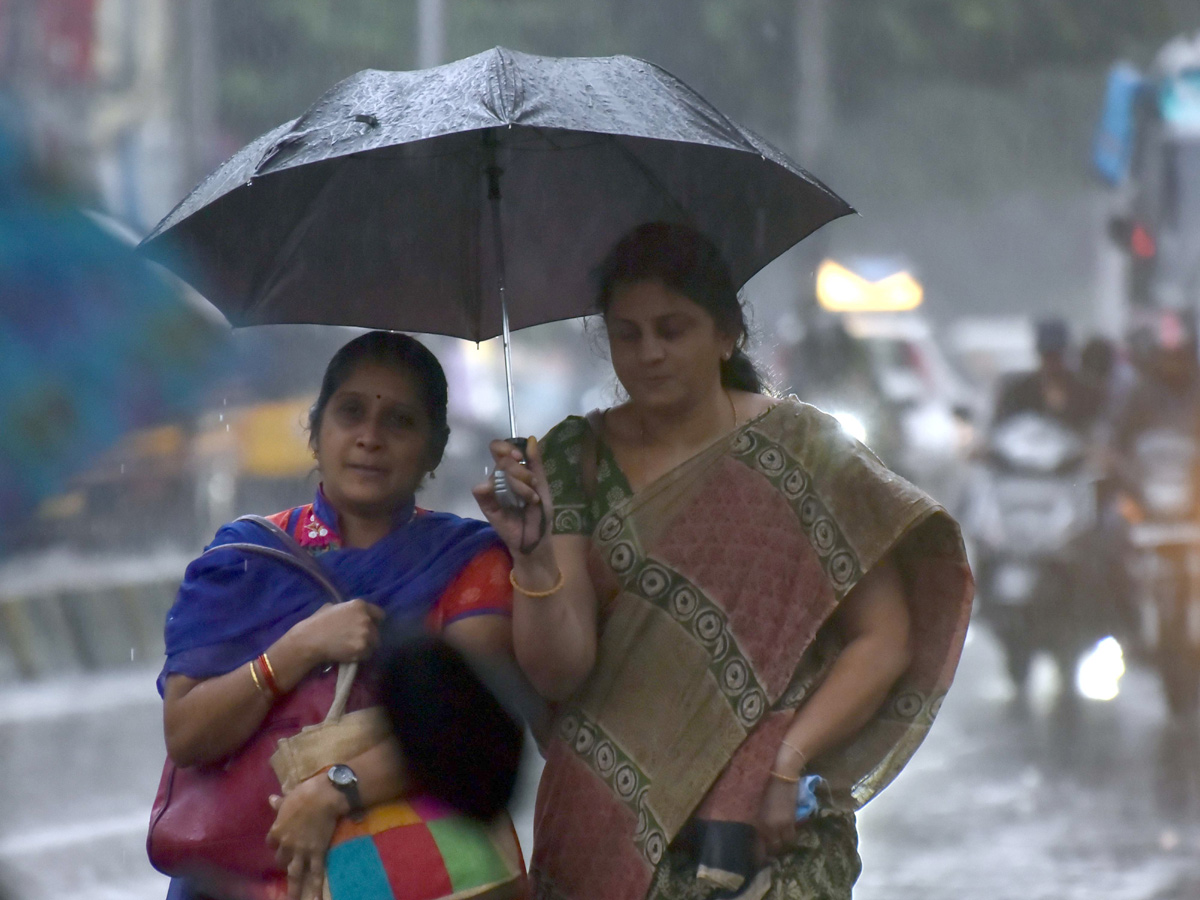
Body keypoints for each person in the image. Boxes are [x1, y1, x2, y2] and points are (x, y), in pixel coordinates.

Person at [475, 223, 973, 900]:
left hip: (771, 834)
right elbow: (561, 671)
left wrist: (783, 767)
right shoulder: (574, 457)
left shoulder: (801, 448)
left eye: (672, 329)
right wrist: (532, 560)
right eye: (628, 334)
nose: (648, 353)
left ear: (727, 333)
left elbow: (884, 639)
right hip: (609, 821)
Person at [158, 331, 522, 900]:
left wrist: (333, 788)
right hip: (246, 878)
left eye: (400, 421)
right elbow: (187, 735)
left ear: (435, 447)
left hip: (417, 876)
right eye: (351, 412)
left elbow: (465, 737)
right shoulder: (246, 560)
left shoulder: (467, 561)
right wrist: (298, 648)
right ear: (315, 429)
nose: (369, 438)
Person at [992, 318, 1101, 433]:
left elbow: (1094, 427)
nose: (1053, 363)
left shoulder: (1087, 391)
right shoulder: (1019, 390)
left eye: (1057, 356)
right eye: (1047, 356)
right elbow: (1001, 427)